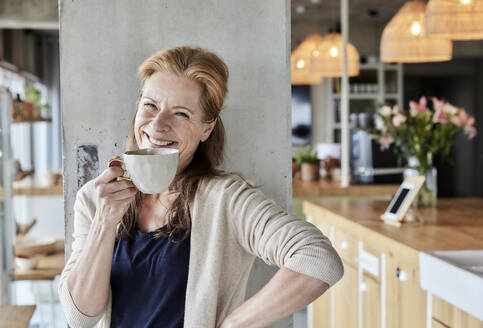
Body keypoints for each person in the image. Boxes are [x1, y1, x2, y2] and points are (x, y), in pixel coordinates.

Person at [58, 46, 344, 328]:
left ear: (207, 128)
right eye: (150, 105)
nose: (158, 124)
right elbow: (80, 317)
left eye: (180, 113)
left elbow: (317, 258)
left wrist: (234, 324)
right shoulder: (96, 199)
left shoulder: (225, 200)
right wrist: (104, 222)